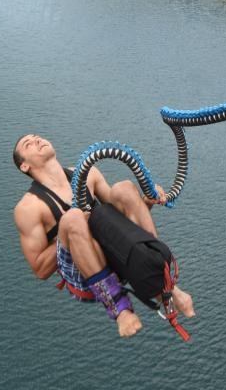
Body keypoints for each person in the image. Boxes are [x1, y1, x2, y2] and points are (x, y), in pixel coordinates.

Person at [12, 134, 195, 337]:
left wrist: (148, 201)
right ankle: (119, 308)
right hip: (84, 273)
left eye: (37, 137)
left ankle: (164, 283)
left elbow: (123, 218)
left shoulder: (87, 174)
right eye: (28, 144)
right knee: (72, 218)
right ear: (25, 166)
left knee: (123, 189)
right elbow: (40, 270)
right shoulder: (28, 208)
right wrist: (68, 230)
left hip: (119, 251)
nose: (37, 141)